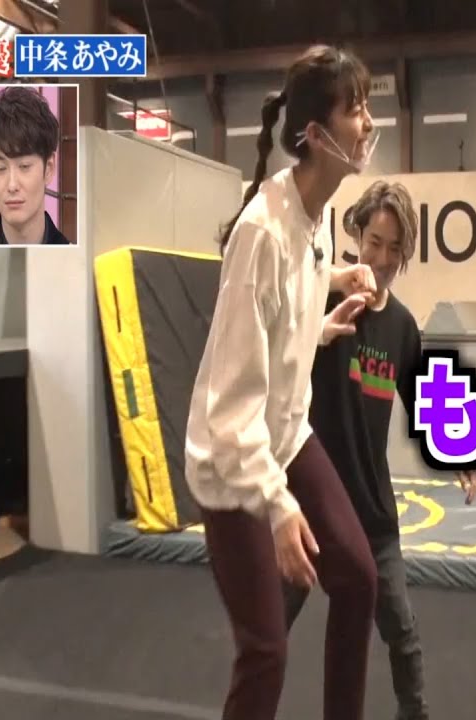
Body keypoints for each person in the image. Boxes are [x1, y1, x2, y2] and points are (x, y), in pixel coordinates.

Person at [183, 44, 384, 720]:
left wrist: (329, 303)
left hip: (286, 435)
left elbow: (287, 305)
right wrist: (277, 506)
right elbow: (231, 408)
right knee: (266, 650)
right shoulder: (261, 234)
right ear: (317, 135)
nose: (368, 122)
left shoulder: (315, 214)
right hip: (234, 460)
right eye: (355, 109)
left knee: (358, 577)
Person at [284, 181, 476, 720]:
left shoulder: (402, 327)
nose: (383, 259)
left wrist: (457, 450)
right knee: (272, 623)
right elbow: (276, 353)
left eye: (395, 248)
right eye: (374, 242)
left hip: (370, 509)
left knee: (401, 630)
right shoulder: (321, 297)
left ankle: (413, 712)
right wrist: (317, 328)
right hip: (311, 502)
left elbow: (425, 402)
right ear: (357, 235)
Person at [0, 86, 72, 246]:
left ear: (49, 168)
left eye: (24, 166)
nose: (12, 185)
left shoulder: (73, 257)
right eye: (0, 168)